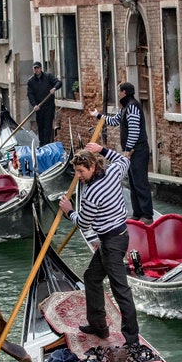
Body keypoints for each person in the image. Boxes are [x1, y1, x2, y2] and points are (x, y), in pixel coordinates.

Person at [59, 142, 139, 348]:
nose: (78, 176)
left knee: (121, 290)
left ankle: (132, 339)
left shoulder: (90, 194)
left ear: (93, 167)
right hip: (118, 236)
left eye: (80, 171)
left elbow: (83, 223)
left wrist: (68, 211)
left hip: (112, 242)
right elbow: (124, 160)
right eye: (75, 171)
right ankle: (98, 325)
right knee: (91, 277)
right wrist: (102, 149)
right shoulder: (112, 172)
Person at [90, 81, 153, 224]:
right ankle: (137, 214)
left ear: (124, 92)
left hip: (138, 150)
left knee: (140, 183)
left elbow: (134, 130)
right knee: (132, 182)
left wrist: (128, 150)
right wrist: (98, 115)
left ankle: (147, 216)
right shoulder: (125, 107)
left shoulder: (133, 107)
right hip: (132, 151)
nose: (118, 94)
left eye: (119, 91)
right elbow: (113, 121)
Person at [27, 61, 61, 146]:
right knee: (41, 127)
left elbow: (59, 83)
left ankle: (47, 144)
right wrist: (34, 105)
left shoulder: (48, 77)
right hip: (39, 107)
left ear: (41, 68)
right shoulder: (31, 81)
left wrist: (54, 88)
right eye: (35, 68)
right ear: (33, 69)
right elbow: (30, 94)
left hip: (49, 106)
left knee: (48, 126)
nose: (36, 70)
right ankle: (41, 144)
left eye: (38, 68)